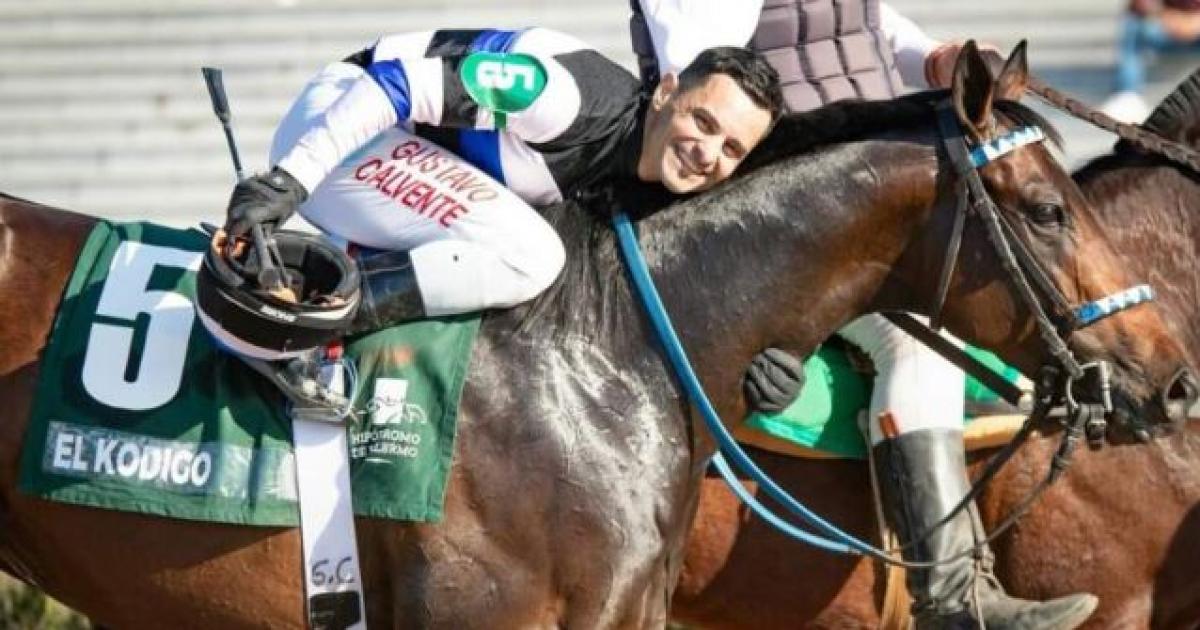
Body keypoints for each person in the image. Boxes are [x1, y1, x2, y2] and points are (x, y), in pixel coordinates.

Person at [629, 2, 1099, 628]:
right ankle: (952, 601)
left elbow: (857, 29)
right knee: (917, 348)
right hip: (780, 215)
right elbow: (700, 72)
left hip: (860, 195)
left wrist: (932, 57)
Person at [200, 28, 783, 366]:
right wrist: (289, 179)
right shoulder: (565, 100)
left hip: (384, 160)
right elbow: (397, 85)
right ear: (666, 93)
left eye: (732, 149)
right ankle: (314, 335)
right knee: (534, 255)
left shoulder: (657, 174)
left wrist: (768, 360)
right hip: (342, 124)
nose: (708, 153)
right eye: (704, 122)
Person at [1101, 0, 1200, 123]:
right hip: (1166, 25)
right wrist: (1166, 15)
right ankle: (1127, 95)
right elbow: (1139, 5)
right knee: (1133, 25)